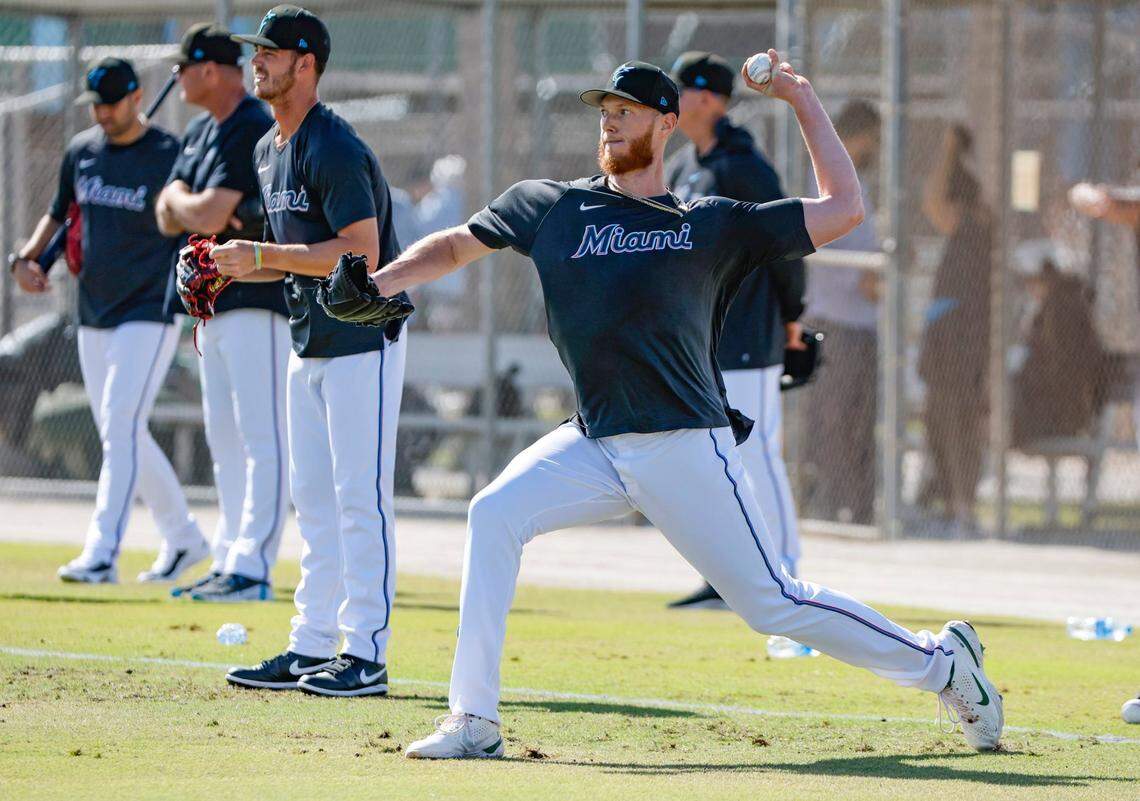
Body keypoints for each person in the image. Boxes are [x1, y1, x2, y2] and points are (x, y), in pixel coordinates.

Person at [327, 54, 1003, 757]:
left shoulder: (708, 222)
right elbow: (455, 245)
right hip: (595, 441)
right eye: (604, 111)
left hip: (683, 444)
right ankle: (474, 719)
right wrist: (382, 283)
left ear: (667, 123)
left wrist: (801, 98)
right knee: (493, 512)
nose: (610, 121)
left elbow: (845, 209)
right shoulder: (550, 206)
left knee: (772, 602)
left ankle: (943, 664)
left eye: (626, 109)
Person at [213, 5, 407, 696]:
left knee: (360, 499)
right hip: (309, 340)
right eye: (254, 51)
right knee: (313, 503)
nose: (256, 61)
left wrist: (259, 251)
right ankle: (311, 644)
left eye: (270, 51)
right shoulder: (268, 148)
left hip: (362, 335)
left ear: (307, 64)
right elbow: (294, 258)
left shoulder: (333, 143)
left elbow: (361, 249)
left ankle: (367, 653)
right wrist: (227, 263)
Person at [8, 57, 208, 584]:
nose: (101, 113)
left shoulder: (170, 153)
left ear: (136, 97)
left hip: (150, 307)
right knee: (121, 429)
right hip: (92, 308)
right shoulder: (82, 151)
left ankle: (102, 553)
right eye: (95, 103)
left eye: (110, 103)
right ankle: (185, 537)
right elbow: (61, 213)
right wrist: (29, 258)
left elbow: (192, 220)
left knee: (120, 424)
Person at [664, 51, 806, 611]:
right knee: (712, 458)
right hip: (701, 335)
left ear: (706, 98)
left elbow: (787, 242)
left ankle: (787, 573)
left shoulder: (743, 165)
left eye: (680, 92)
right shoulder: (685, 167)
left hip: (749, 328)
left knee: (759, 453)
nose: (672, 103)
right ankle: (726, 576)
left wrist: (793, 318)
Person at [154, 23, 290, 602]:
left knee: (263, 437)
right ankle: (231, 553)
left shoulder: (251, 127)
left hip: (259, 297)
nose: (179, 78)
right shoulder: (199, 132)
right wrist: (192, 207)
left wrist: (190, 206)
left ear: (210, 70)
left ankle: (253, 566)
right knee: (225, 437)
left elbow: (204, 214)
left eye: (183, 68)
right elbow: (167, 211)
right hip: (213, 304)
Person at [801, 100, 881, 525]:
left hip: (862, 323)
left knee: (860, 422)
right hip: (833, 320)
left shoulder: (859, 182)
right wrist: (872, 279)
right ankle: (830, 504)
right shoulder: (825, 180)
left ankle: (860, 508)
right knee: (832, 419)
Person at [916, 126, 993, 532]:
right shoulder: (973, 225)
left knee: (956, 419)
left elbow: (933, 201)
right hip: (952, 335)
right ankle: (951, 503)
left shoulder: (972, 221)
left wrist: (948, 151)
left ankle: (962, 506)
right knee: (939, 418)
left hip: (961, 338)